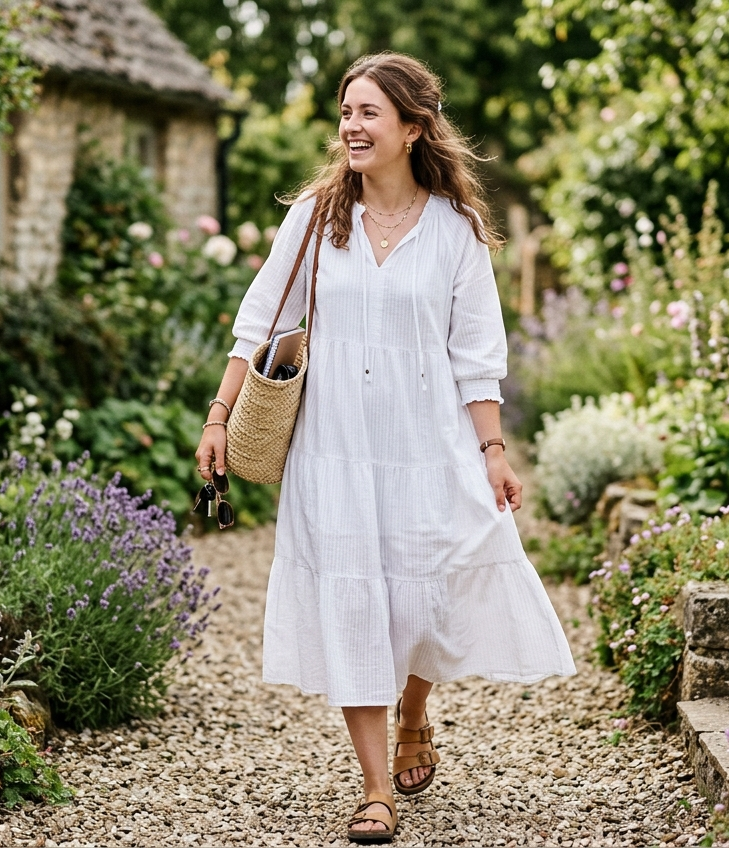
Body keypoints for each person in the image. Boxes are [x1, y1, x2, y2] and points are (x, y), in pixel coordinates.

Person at [195, 52, 576, 844]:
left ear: (411, 128)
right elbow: (259, 318)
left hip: (426, 442)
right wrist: (219, 415)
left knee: (426, 593)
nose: (351, 127)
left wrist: (494, 448)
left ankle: (415, 713)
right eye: (345, 112)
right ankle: (375, 788)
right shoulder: (313, 217)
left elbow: (476, 352)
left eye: (369, 112)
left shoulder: (456, 230)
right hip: (332, 447)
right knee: (354, 597)